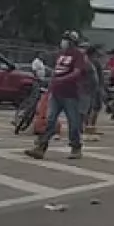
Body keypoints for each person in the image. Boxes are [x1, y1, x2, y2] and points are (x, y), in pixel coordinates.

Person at [25, 31, 88, 160]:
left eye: (66, 40)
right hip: (56, 92)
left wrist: (62, 79)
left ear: (72, 42)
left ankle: (76, 147)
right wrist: (51, 85)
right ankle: (40, 147)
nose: (63, 42)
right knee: (50, 120)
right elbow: (56, 71)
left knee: (73, 122)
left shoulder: (78, 55)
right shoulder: (61, 54)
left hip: (71, 94)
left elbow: (77, 73)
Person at [82, 44, 105, 139]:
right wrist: (101, 88)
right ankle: (91, 127)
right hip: (95, 88)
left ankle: (87, 127)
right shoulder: (95, 62)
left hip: (86, 89)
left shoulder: (84, 61)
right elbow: (99, 77)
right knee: (96, 108)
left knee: (88, 109)